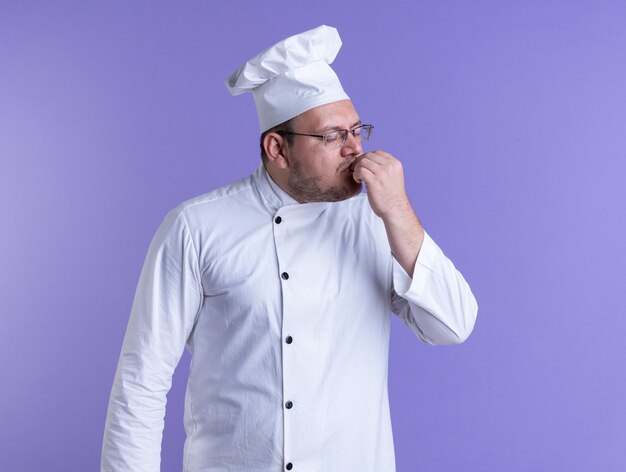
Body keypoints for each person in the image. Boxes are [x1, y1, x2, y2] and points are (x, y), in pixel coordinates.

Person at [101, 25, 477, 472]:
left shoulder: (377, 221)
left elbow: (452, 327)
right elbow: (142, 381)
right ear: (277, 148)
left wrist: (399, 211)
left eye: (357, 131)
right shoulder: (195, 227)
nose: (355, 150)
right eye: (334, 136)